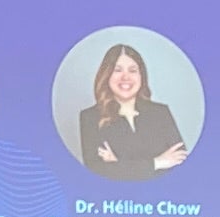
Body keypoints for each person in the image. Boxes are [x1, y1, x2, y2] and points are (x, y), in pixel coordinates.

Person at [69, 40, 191, 179]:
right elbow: (97, 171)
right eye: (117, 70)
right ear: (106, 75)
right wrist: (157, 162)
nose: (125, 77)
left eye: (133, 70)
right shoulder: (90, 117)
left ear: (141, 76)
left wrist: (119, 164)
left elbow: (181, 165)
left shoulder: (161, 113)